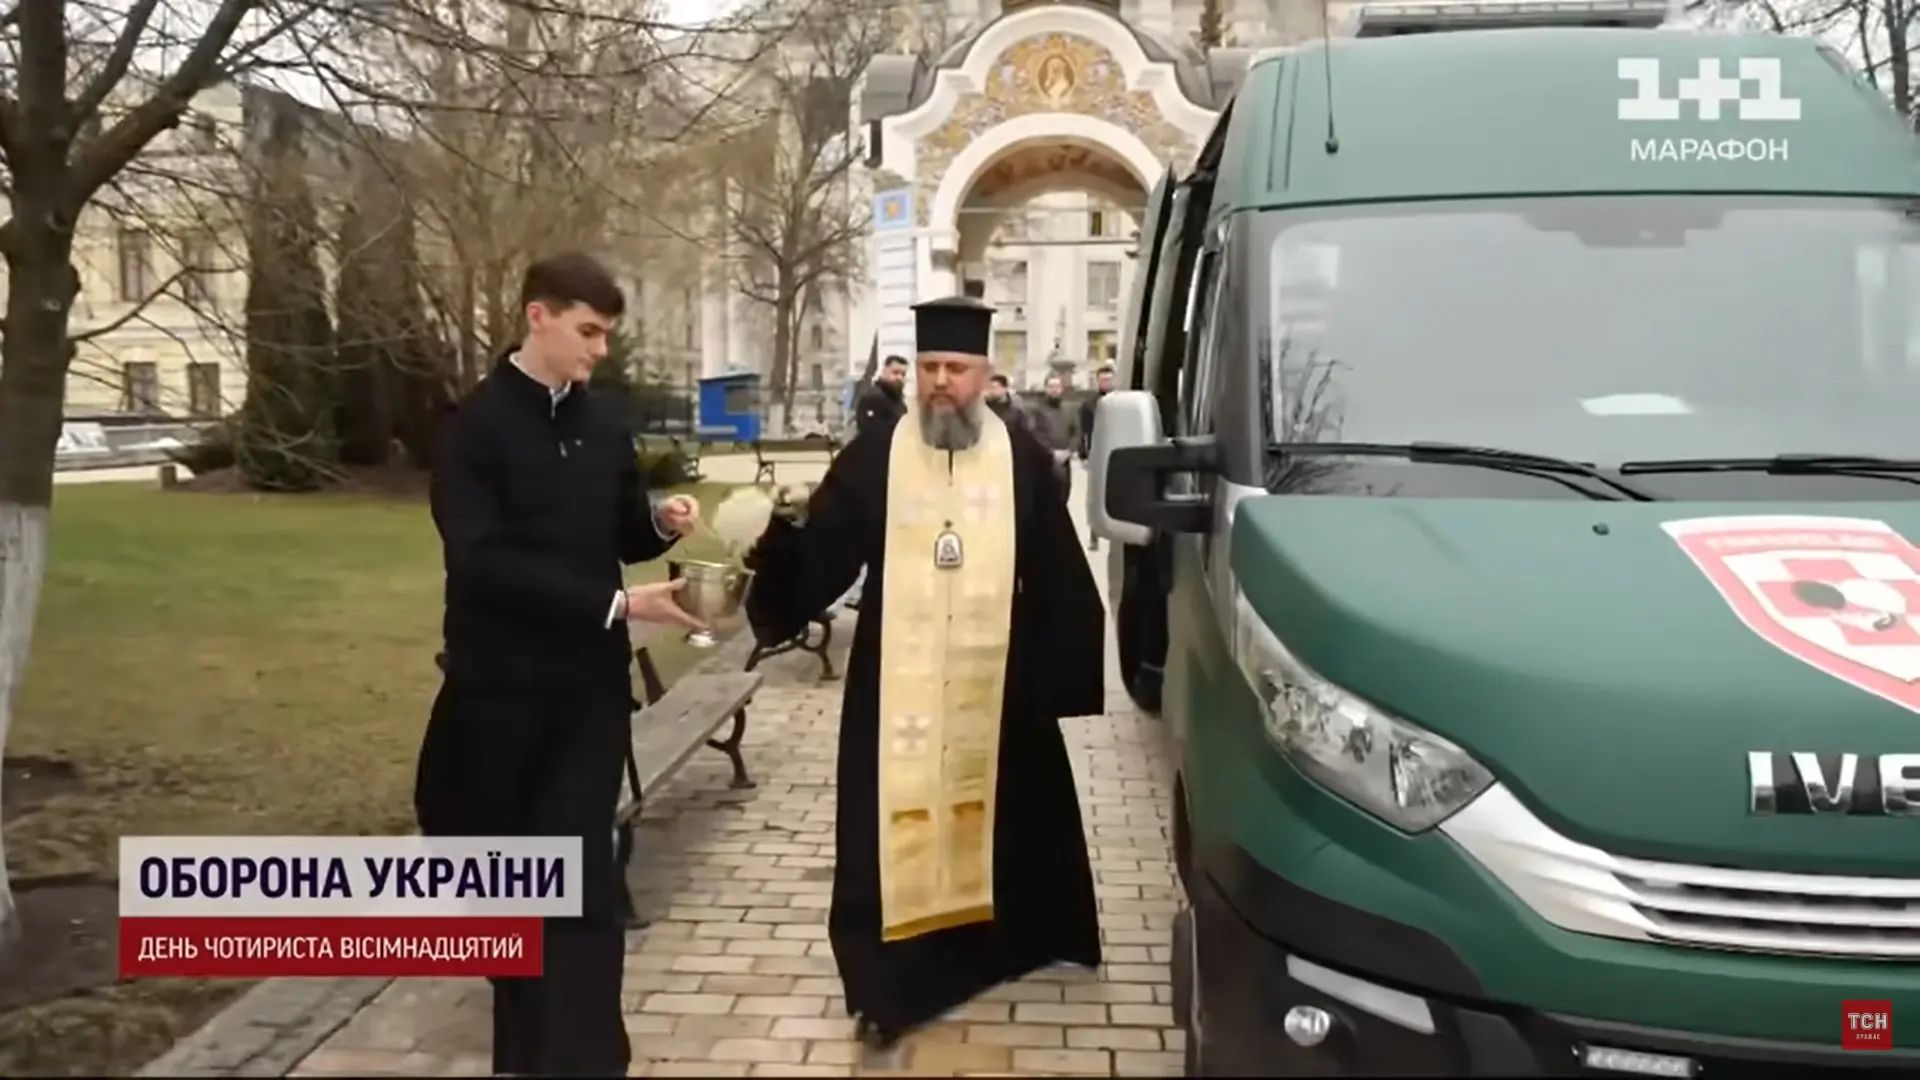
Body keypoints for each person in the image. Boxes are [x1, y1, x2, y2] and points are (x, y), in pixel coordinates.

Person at [742, 295, 1106, 1052]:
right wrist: (779, 553)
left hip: (996, 680)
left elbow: (1055, 564)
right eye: (931, 367)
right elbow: (827, 545)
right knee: (887, 825)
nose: (941, 382)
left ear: (984, 374)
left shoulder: (1019, 455)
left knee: (1010, 813)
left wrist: (1062, 669)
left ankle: (1008, 944)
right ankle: (891, 982)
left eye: (957, 369)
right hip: (894, 685)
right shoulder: (878, 453)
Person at [414, 251, 708, 1078]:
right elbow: (478, 561)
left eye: (606, 335)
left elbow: (621, 532)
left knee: (581, 881)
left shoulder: (603, 424)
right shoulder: (473, 428)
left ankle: (587, 1059)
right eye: (588, 331)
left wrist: (660, 524)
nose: (599, 350)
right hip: (498, 696)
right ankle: (528, 1052)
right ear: (537, 316)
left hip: (587, 698)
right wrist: (615, 605)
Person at [1076, 364, 1115, 548]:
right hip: (1097, 452)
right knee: (1095, 495)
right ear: (1097, 381)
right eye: (1102, 379)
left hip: (1116, 450)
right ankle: (1094, 534)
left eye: (1108, 379)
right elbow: (1084, 430)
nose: (1105, 382)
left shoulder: (1120, 401)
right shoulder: (1089, 405)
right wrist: (1083, 454)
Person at [1026, 373, 1077, 503]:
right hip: (1044, 461)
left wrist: (1070, 450)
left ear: (1062, 389)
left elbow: (1076, 432)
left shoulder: (1069, 409)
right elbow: (1034, 434)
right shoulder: (1037, 409)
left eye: (1057, 386)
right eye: (1051, 386)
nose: (1054, 390)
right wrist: (1051, 452)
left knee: (1063, 497)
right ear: (1045, 388)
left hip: (1064, 461)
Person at [854, 354, 910, 439]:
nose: (899, 378)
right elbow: (868, 433)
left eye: (903, 374)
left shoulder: (899, 402)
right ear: (884, 371)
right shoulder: (873, 398)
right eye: (895, 373)